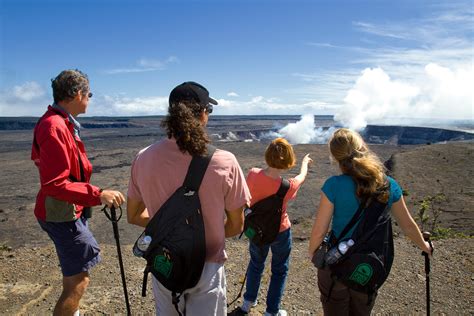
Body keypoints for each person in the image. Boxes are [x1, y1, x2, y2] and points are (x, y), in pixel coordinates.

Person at [127, 81, 251, 315]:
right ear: (203, 114)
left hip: (164, 261)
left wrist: (170, 230)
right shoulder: (225, 162)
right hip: (207, 266)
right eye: (209, 110)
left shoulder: (143, 158)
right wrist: (203, 231)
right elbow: (236, 224)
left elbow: (133, 215)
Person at [308, 128, 433, 316]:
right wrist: (425, 246)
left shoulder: (333, 185)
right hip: (368, 267)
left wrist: (314, 256)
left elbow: (319, 232)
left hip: (336, 266)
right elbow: (407, 226)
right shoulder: (388, 185)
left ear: (335, 157)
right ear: (361, 148)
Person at [31, 69, 125, 316]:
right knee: (78, 282)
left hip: (65, 209)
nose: (89, 99)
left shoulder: (60, 123)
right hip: (61, 213)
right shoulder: (54, 126)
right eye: (89, 94)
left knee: (75, 277)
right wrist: (98, 194)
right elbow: (54, 184)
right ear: (76, 94)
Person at [235, 138, 313, 316]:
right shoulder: (288, 186)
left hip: (257, 230)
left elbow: (246, 197)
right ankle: (272, 311)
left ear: (267, 156)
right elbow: (301, 177)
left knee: (256, 264)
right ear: (288, 161)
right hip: (281, 232)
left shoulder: (253, 174)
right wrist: (304, 164)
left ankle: (248, 302)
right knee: (279, 270)